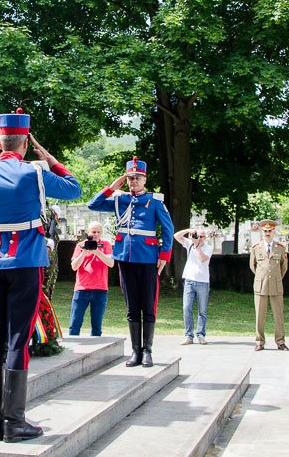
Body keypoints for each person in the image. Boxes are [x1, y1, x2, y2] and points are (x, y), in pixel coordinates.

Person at [0, 109, 82, 442]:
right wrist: (50, 158)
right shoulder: (35, 173)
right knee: (17, 340)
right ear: (26, 144)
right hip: (26, 262)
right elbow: (74, 188)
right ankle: (14, 422)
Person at [88, 156, 174, 368]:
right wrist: (113, 187)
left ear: (145, 179)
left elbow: (168, 229)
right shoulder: (120, 200)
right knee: (132, 306)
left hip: (147, 258)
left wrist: (164, 256)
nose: (134, 181)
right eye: (130, 178)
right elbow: (93, 204)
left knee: (148, 305)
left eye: (137, 178)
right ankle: (136, 352)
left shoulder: (155, 202)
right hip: (125, 257)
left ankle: (148, 351)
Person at [68, 221, 114, 337]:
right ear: (89, 232)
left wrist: (97, 252)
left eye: (98, 232)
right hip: (82, 288)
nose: (96, 235)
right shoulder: (81, 245)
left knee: (96, 325)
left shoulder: (106, 245)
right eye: (94, 232)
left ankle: (96, 345)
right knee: (75, 322)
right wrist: (84, 253)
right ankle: (72, 343)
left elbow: (111, 263)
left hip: (100, 289)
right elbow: (74, 267)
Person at [249, 219, 288, 351]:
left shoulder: (280, 248)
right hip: (261, 286)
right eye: (265, 231)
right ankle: (259, 342)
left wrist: (276, 278)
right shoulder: (256, 248)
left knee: (279, 315)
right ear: (262, 232)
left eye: (270, 231)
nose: (267, 233)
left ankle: (280, 341)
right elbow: (253, 266)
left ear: (273, 232)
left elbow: (284, 267)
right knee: (259, 315)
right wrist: (262, 277)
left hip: (276, 286)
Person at [175, 227, 213, 345]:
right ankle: (188, 336)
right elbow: (176, 236)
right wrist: (188, 231)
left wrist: (197, 246)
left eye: (201, 237)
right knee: (186, 308)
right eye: (197, 236)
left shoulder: (208, 248)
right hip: (189, 281)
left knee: (202, 310)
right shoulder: (190, 244)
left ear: (205, 238)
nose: (199, 238)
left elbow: (202, 259)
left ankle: (201, 335)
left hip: (203, 282)